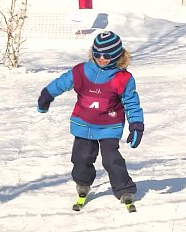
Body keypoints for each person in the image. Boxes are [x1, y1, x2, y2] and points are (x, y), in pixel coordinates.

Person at [37, 31, 144, 206]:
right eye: (97, 54)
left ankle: (124, 189)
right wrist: (46, 95)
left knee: (111, 159)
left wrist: (136, 125)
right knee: (81, 158)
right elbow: (61, 83)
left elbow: (131, 102)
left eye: (107, 55)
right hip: (83, 123)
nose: (102, 59)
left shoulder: (123, 79)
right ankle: (83, 183)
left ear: (117, 55)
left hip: (109, 126)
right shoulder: (81, 71)